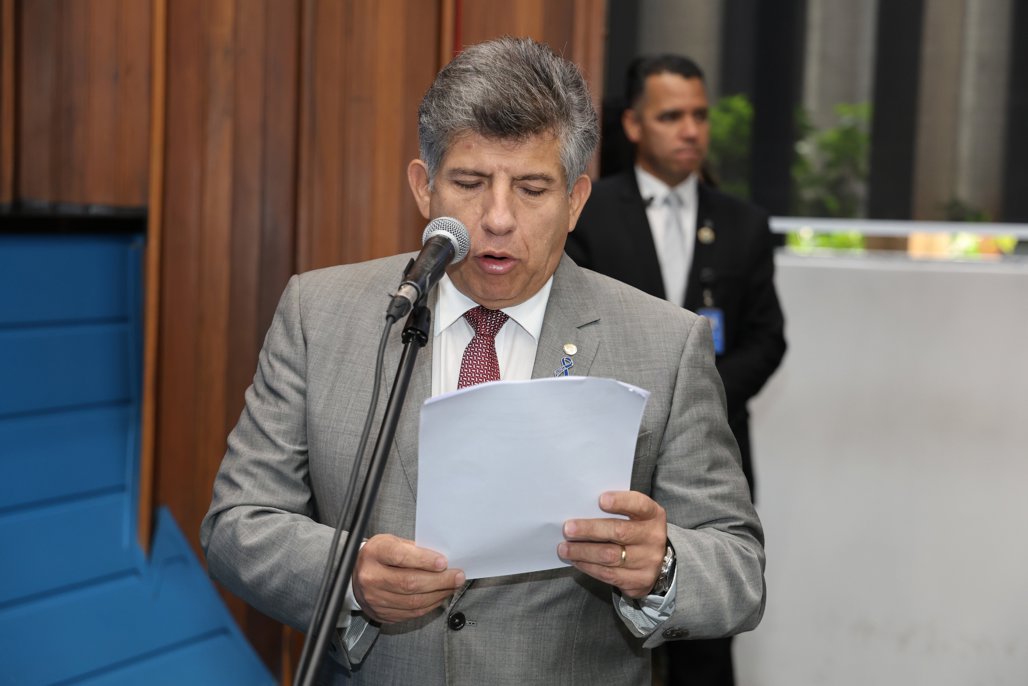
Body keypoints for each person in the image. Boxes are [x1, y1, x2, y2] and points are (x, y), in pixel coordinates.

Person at [201, 38, 764, 685]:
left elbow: (738, 570)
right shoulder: (320, 312)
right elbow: (235, 525)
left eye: (531, 188)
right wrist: (349, 573)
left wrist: (661, 564)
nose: (498, 218)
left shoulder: (665, 343)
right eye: (469, 183)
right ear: (424, 187)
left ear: (576, 200)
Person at [564, 55, 786, 686]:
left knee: (704, 644)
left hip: (712, 459)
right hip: (612, 458)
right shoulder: (589, 213)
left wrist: (699, 401)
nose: (690, 129)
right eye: (671, 116)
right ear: (633, 125)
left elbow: (768, 339)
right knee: (601, 625)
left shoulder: (744, 224)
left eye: (699, 115)